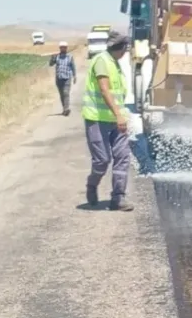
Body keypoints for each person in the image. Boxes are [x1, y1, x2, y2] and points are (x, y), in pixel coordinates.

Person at [80, 30, 133, 211]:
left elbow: (119, 94)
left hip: (117, 121)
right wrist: (119, 115)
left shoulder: (115, 63)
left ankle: (118, 198)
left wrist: (121, 115)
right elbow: (104, 90)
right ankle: (92, 184)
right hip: (97, 119)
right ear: (122, 48)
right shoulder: (102, 61)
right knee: (102, 160)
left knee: (122, 157)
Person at [48, 41, 77, 116]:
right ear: (60, 48)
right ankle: (64, 109)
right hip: (59, 78)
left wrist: (74, 76)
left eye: (64, 47)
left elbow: (73, 67)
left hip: (67, 78)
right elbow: (50, 64)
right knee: (61, 95)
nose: (63, 48)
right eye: (61, 47)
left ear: (66, 48)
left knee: (66, 93)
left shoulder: (70, 57)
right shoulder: (57, 56)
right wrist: (52, 59)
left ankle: (66, 109)